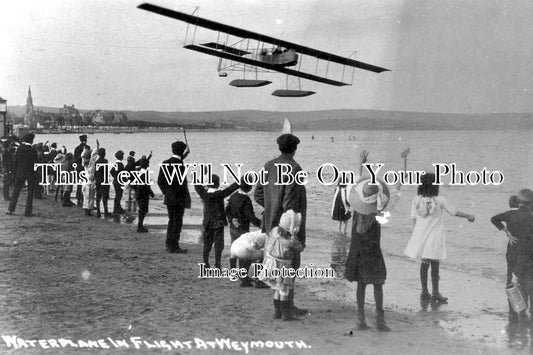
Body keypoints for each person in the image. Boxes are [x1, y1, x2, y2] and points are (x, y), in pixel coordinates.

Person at [254, 132, 307, 315]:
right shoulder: (294, 168)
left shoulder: (268, 166)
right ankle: (287, 307)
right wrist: (291, 225)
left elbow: (258, 194)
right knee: (290, 266)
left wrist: (270, 210)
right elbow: (290, 203)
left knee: (275, 265)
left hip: (271, 228)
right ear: (294, 149)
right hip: (288, 228)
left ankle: (279, 308)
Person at [404, 173, 475, 303]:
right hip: (435, 235)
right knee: (435, 264)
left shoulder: (416, 199)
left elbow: (413, 218)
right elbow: (454, 212)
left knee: (424, 263)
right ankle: (435, 292)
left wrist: (416, 233)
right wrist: (468, 215)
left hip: (421, 235)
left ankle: (424, 291)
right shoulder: (440, 200)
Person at [259, 210, 303, 321]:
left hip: (271, 264)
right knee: (284, 290)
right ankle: (286, 315)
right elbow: (300, 248)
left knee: (276, 289)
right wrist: (294, 237)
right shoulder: (289, 242)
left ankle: (277, 313)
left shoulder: (274, 231)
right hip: (283, 267)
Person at [491, 194, 528, 323]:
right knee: (523, 277)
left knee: (509, 276)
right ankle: (524, 309)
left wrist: (507, 232)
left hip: (512, 249)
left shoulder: (508, 215)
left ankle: (512, 308)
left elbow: (494, 219)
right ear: (520, 204)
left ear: (510, 204)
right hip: (525, 250)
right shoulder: (526, 215)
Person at [195, 174, 239, 269]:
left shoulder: (204, 194)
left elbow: (197, 186)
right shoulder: (220, 194)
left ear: (208, 184)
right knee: (219, 245)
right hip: (218, 223)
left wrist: (198, 178)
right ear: (218, 184)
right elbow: (231, 189)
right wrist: (240, 181)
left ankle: (206, 263)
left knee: (207, 244)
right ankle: (217, 264)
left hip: (207, 222)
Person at [225, 174, 262, 287]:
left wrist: (232, 220)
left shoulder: (233, 196)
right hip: (243, 228)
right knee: (243, 251)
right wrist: (262, 225)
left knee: (234, 248)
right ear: (250, 187)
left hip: (233, 227)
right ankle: (243, 276)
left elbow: (227, 210)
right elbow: (250, 216)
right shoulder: (245, 199)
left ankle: (233, 272)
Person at [157, 141, 191, 254]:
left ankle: (169, 243)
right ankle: (174, 245)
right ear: (181, 151)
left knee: (171, 220)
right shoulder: (181, 165)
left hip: (169, 198)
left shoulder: (165, 163)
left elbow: (160, 181)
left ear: (173, 150)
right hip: (179, 199)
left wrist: (166, 192)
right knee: (177, 222)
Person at [7, 133, 38, 216]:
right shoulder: (32, 150)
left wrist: (15, 173)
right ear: (31, 141)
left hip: (20, 173)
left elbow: (16, 162)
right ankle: (28, 212)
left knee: (15, 192)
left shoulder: (20, 149)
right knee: (30, 193)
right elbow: (35, 163)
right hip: (30, 173)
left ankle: (11, 209)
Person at [134, 158, 154, 233]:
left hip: (139, 193)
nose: (148, 165)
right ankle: (140, 226)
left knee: (142, 210)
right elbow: (146, 185)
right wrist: (151, 194)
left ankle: (140, 225)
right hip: (143, 194)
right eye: (147, 164)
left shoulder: (138, 171)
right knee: (143, 210)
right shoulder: (144, 173)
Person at [95, 147, 111, 218]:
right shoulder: (105, 161)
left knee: (98, 197)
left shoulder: (96, 162)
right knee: (105, 197)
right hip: (104, 181)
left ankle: (98, 211)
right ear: (104, 154)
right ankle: (105, 211)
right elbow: (106, 172)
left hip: (98, 181)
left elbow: (95, 172)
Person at [73, 134, 88, 206]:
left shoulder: (77, 148)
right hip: (85, 167)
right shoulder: (87, 148)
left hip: (78, 167)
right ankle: (83, 197)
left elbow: (75, 159)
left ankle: (78, 197)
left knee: (79, 183)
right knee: (85, 183)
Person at [110, 150, 126, 215]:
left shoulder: (116, 164)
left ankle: (117, 208)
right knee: (119, 196)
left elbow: (111, 171)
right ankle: (116, 209)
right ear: (121, 157)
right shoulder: (121, 165)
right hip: (119, 182)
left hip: (115, 182)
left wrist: (115, 177)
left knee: (117, 195)